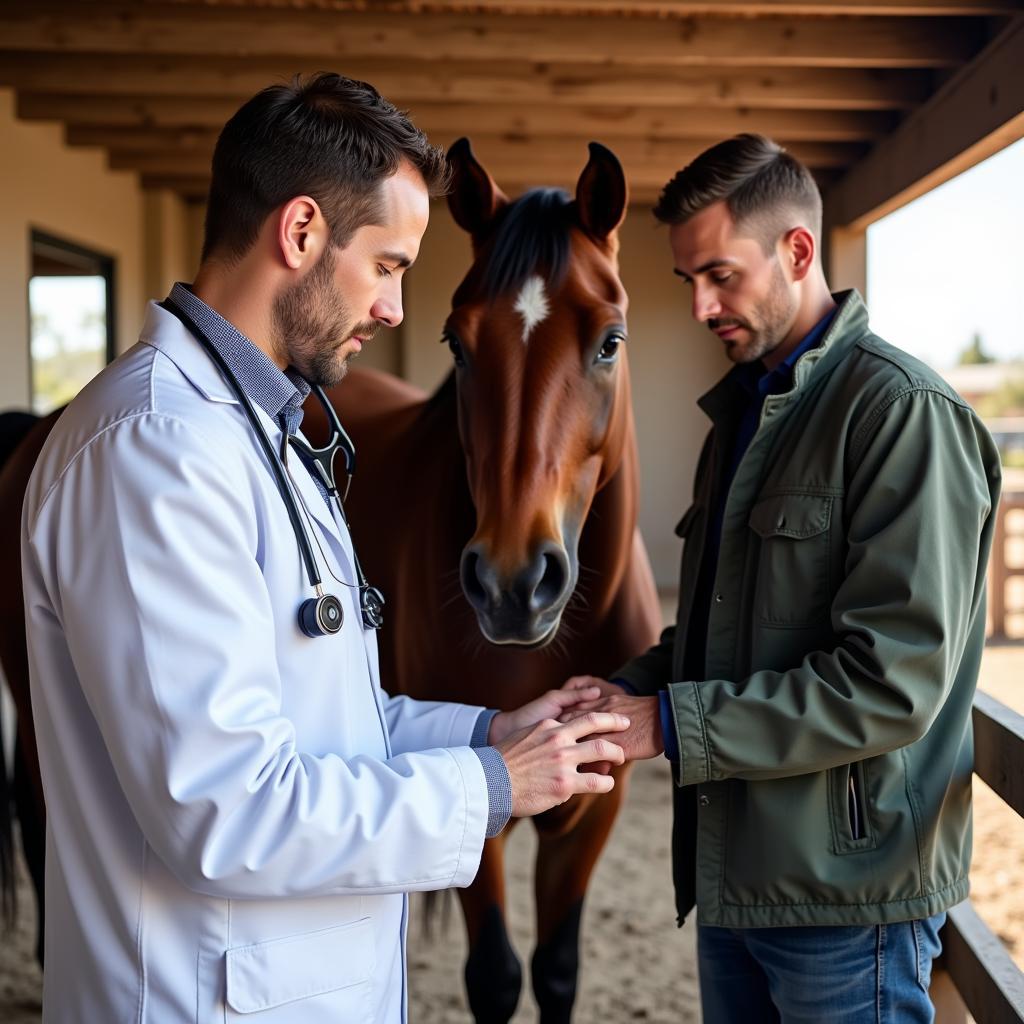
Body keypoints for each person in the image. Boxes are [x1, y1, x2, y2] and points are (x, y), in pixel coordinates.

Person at [20, 74, 629, 1024]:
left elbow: (323, 722)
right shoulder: (156, 454)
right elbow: (224, 811)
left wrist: (489, 734)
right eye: (388, 266)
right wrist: (490, 787)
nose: (394, 310)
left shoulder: (261, 432)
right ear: (301, 233)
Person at [562, 133, 1001, 1022]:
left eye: (719, 275)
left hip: (850, 899)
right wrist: (624, 691)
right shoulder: (744, 416)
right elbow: (729, 631)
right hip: (739, 878)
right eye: (688, 280)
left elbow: (890, 684)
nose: (698, 305)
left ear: (798, 251)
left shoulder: (903, 417)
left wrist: (668, 724)